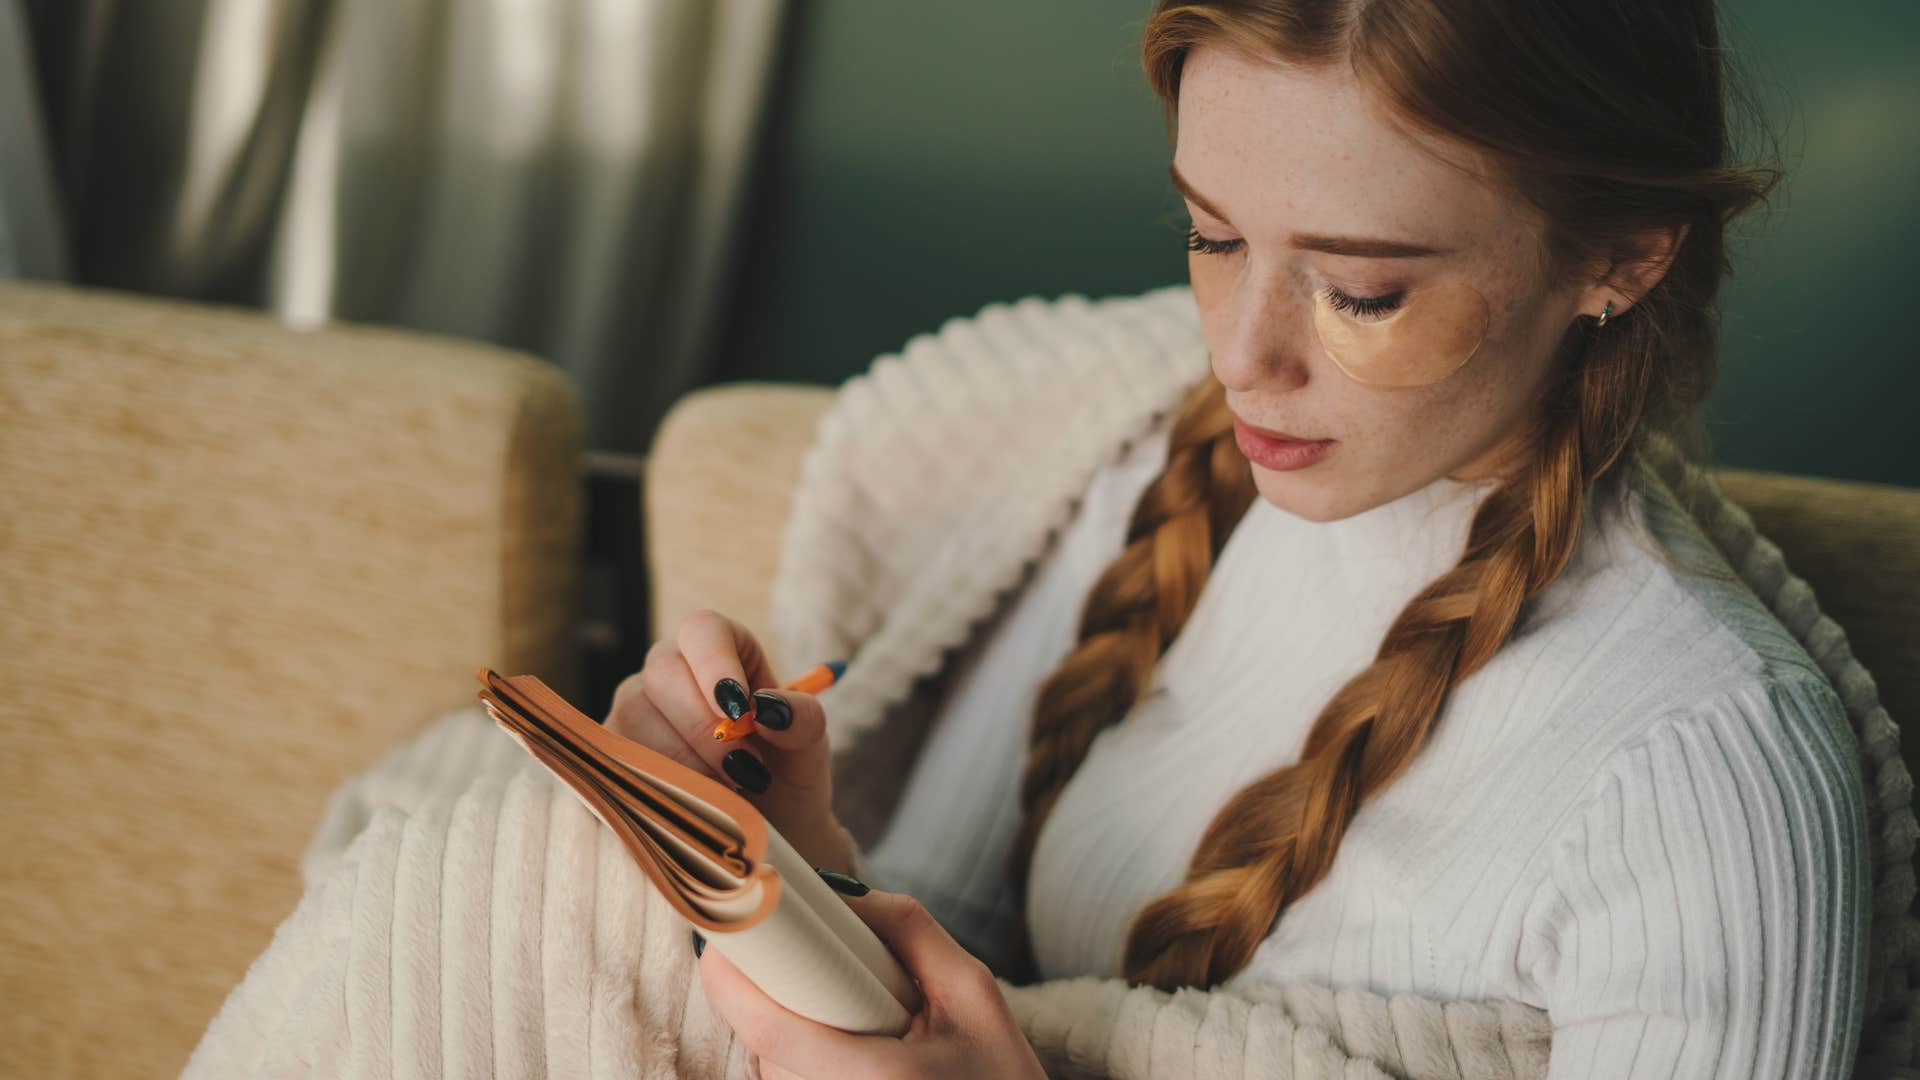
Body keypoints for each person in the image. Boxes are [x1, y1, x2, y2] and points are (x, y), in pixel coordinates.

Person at [186, 1, 1873, 1077]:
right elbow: (949, 968)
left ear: (1623, 257)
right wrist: (803, 864)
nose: (1242, 357)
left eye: (1363, 290)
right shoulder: (1143, 474)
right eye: (1210, 236)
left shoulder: (1703, 774)